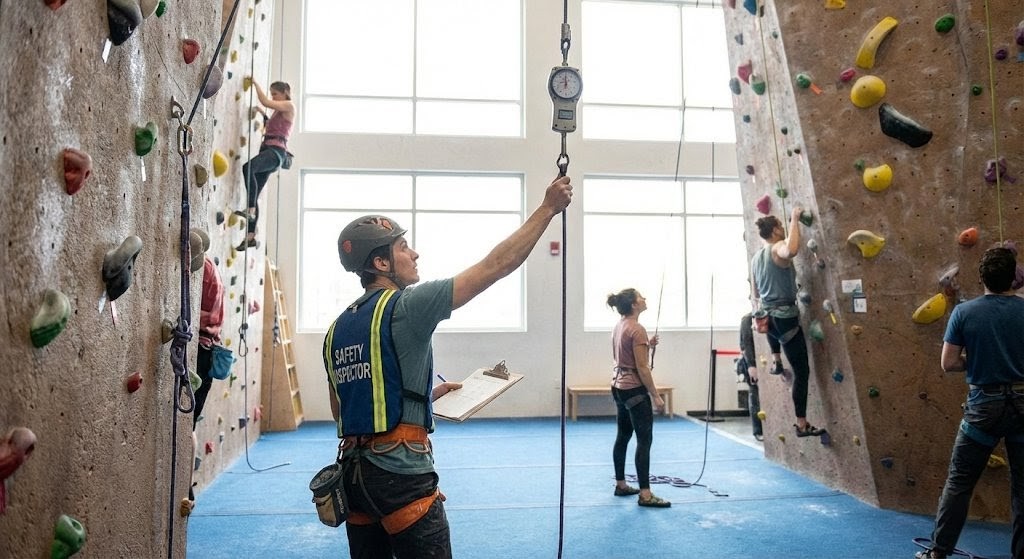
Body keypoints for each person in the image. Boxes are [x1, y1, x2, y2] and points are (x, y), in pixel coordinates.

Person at [323, 175, 573, 557]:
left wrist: (420, 396)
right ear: (380, 262)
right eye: (403, 247)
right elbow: (498, 265)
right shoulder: (407, 305)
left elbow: (346, 406)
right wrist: (547, 209)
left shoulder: (337, 328)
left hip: (355, 482)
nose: (415, 254)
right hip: (402, 476)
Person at [916, 247, 1024, 559]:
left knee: (960, 482)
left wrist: (976, 360)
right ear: (1012, 279)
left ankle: (938, 552)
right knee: (1023, 488)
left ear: (982, 279)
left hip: (984, 407)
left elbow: (948, 363)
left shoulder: (965, 313)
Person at [751, 206, 825, 438]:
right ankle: (802, 424)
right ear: (774, 231)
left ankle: (776, 359)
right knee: (802, 371)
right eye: (781, 227)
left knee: (783, 348)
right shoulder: (776, 248)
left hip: (767, 318)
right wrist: (794, 219)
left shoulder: (755, 258)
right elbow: (791, 249)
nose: (783, 230)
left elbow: (755, 293)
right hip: (784, 317)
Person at [606, 288, 671, 508]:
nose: (644, 299)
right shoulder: (637, 329)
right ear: (634, 305)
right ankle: (645, 494)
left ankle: (621, 484)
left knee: (623, 435)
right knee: (644, 440)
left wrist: (647, 344)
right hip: (634, 389)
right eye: (641, 297)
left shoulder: (621, 325)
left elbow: (627, 351)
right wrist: (656, 396)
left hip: (618, 386)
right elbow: (643, 368)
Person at [236, 80, 295, 251]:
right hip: (269, 151)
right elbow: (272, 122)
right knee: (254, 189)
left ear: (285, 92)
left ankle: (251, 210)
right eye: (272, 94)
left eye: (275, 94)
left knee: (248, 168)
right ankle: (251, 236)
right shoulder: (279, 111)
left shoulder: (289, 106)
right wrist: (261, 113)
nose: (273, 97)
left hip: (276, 152)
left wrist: (254, 83)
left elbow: (265, 102)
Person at [738, 313, 763, 441]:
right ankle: (758, 430)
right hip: (751, 362)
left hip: (763, 360)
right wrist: (751, 365)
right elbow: (745, 344)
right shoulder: (747, 319)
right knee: (755, 395)